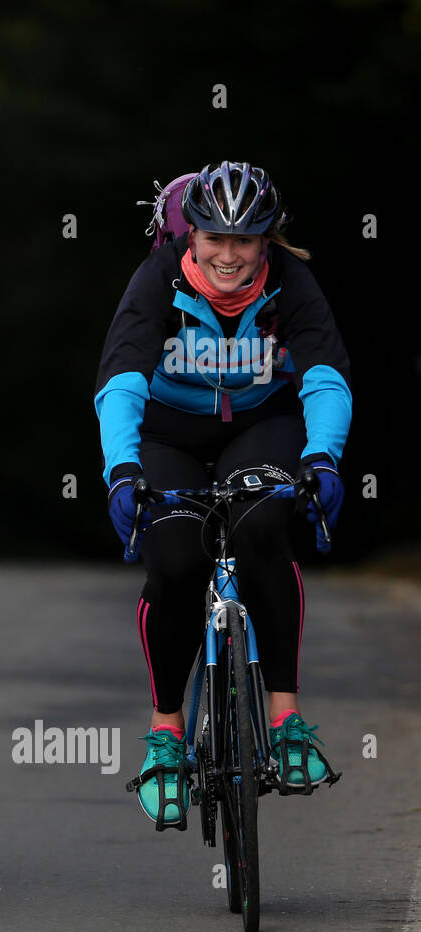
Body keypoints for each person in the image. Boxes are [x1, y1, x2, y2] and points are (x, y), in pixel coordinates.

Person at [95, 161, 351, 829]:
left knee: (264, 528)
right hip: (168, 433)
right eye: (215, 239)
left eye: (246, 241)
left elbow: (325, 374)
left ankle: (286, 718)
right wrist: (122, 469)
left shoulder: (292, 281)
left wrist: (323, 457)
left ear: (268, 240)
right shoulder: (160, 279)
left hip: (261, 426)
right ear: (193, 235)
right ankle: (166, 732)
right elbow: (120, 379)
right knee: (177, 559)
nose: (230, 256)